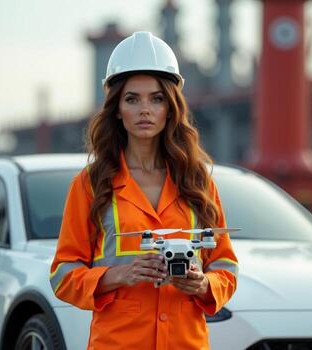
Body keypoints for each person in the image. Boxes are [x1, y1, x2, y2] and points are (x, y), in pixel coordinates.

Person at [50, 31, 238, 350]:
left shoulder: (197, 182)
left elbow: (225, 266)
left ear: (170, 109)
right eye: (132, 99)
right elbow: (62, 275)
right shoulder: (91, 184)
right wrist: (119, 275)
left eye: (157, 98)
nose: (145, 110)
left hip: (185, 342)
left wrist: (204, 283)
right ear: (117, 110)